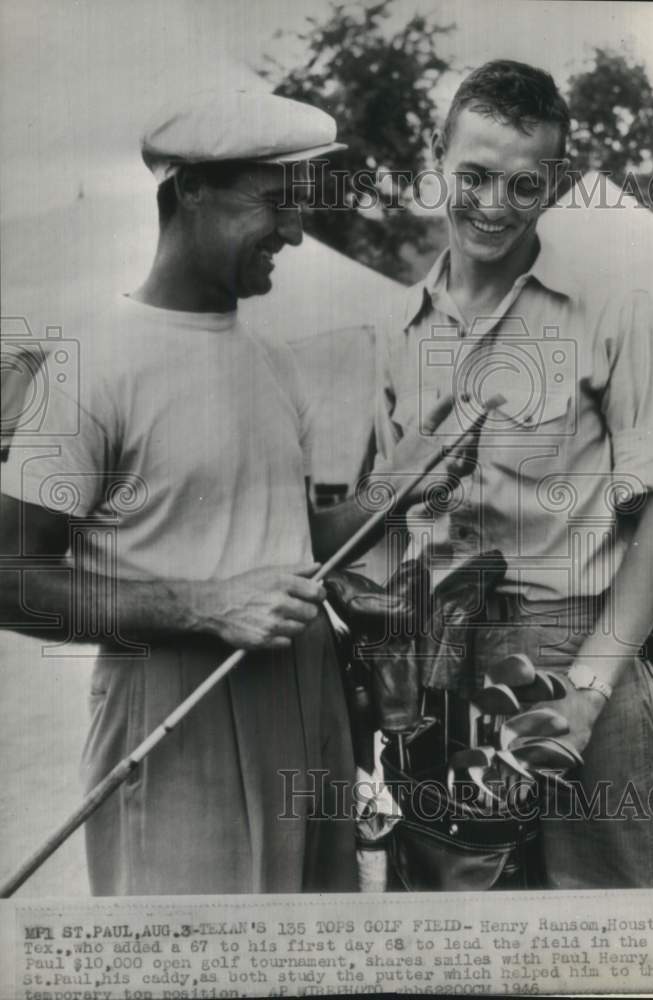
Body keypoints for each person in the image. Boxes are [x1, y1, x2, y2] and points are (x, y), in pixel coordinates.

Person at [0, 90, 467, 894]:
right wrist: (202, 606)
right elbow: (12, 580)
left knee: (307, 960)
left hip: (309, 708)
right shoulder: (87, 364)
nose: (293, 232)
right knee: (191, 961)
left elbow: (285, 540)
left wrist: (398, 483)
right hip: (175, 706)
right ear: (191, 190)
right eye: (275, 204)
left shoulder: (271, 359)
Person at [373, 60, 653, 888]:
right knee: (462, 941)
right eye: (473, 176)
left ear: (553, 185)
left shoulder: (618, 311)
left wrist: (587, 695)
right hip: (441, 668)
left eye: (523, 184)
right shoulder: (396, 328)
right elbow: (377, 527)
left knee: (621, 940)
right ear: (435, 161)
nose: (492, 205)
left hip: (578, 648)